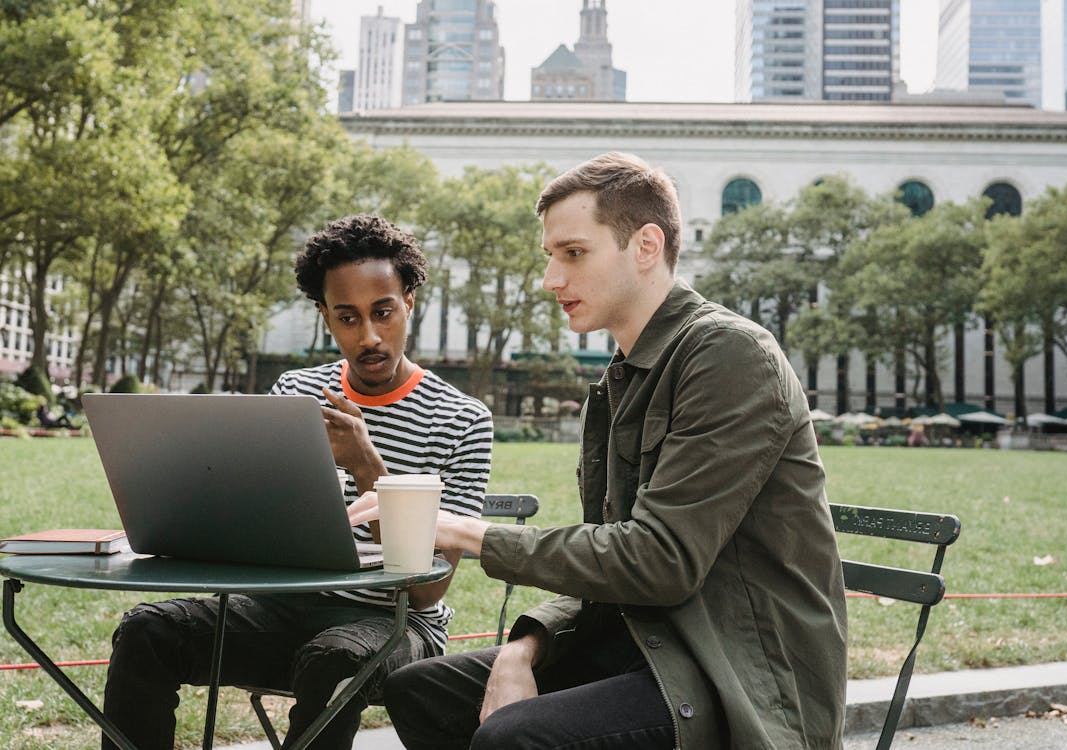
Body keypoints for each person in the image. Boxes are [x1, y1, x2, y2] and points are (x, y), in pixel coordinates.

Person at [373, 152, 849, 749]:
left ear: (646, 246)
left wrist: (463, 532)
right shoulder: (621, 378)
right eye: (551, 256)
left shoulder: (730, 356)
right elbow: (614, 557)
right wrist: (526, 646)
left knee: (516, 736)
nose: (551, 279)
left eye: (573, 253)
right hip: (641, 643)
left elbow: (658, 559)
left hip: (733, 677)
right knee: (420, 689)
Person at [100, 215, 493, 750]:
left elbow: (427, 589)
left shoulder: (462, 418)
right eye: (348, 318)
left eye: (384, 312)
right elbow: (258, 528)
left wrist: (366, 466)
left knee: (333, 660)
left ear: (410, 303)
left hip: (395, 625)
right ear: (325, 317)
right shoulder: (296, 391)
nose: (370, 336)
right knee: (148, 631)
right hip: (279, 609)